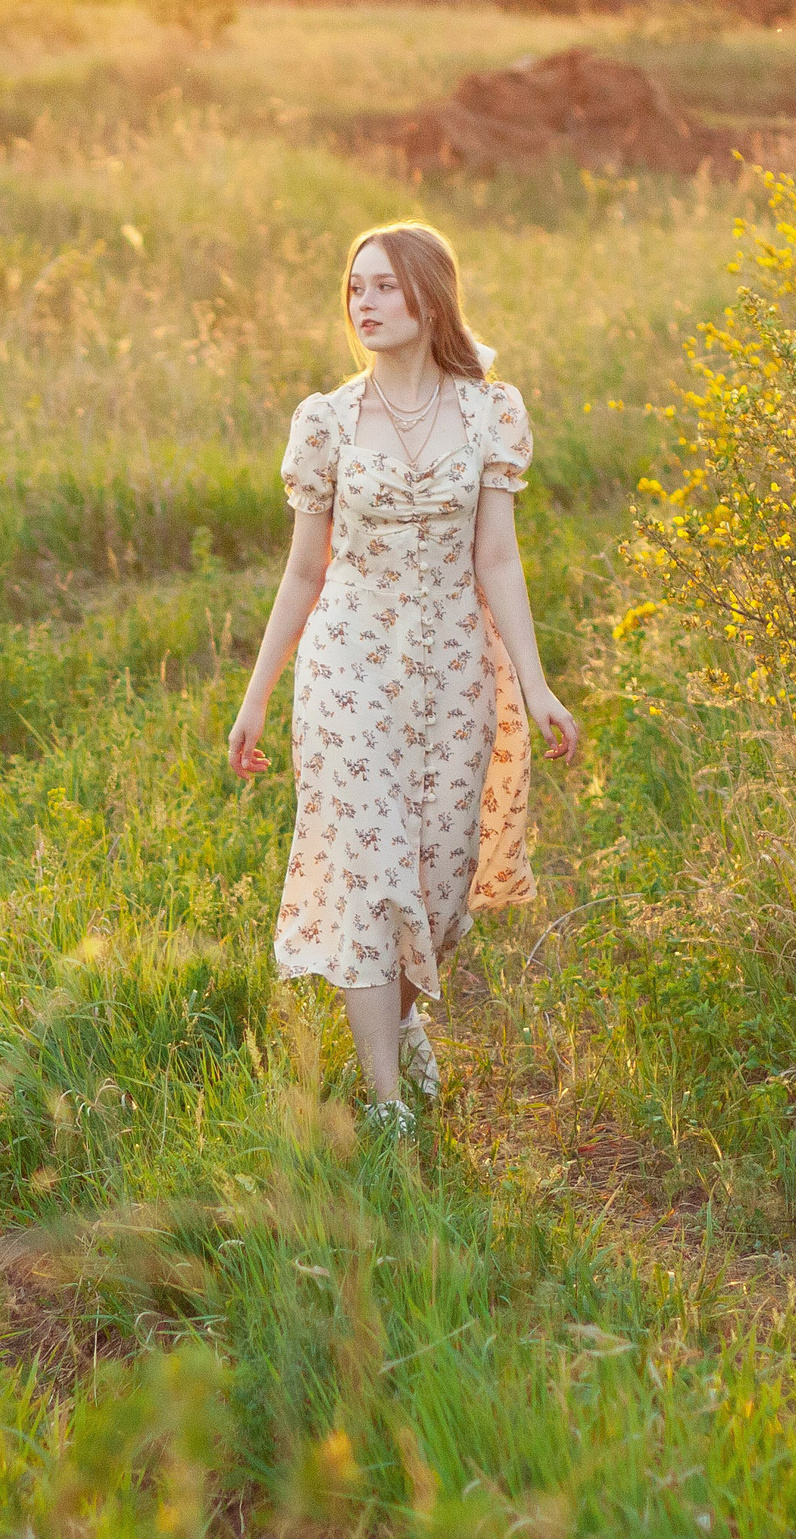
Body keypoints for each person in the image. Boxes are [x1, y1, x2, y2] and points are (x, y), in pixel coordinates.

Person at [226, 219, 579, 1134]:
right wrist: (258, 695)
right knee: (373, 872)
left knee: (440, 881)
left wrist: (536, 686)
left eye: (384, 285)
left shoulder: (488, 412)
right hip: (350, 668)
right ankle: (387, 1108)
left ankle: (404, 1022)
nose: (366, 302)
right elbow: (305, 571)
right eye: (355, 288)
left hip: (457, 667)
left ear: (429, 296)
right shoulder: (327, 421)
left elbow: (497, 559)